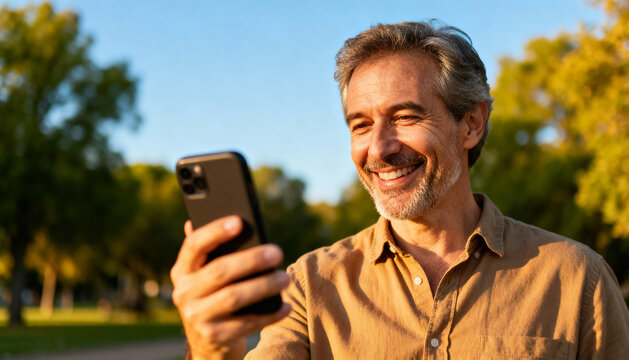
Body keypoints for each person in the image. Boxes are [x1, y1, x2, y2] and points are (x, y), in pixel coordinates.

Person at [170, 21, 629, 359]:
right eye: (361, 124)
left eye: (406, 117)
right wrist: (209, 349)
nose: (380, 148)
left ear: (471, 123)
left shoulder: (576, 278)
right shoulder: (310, 286)